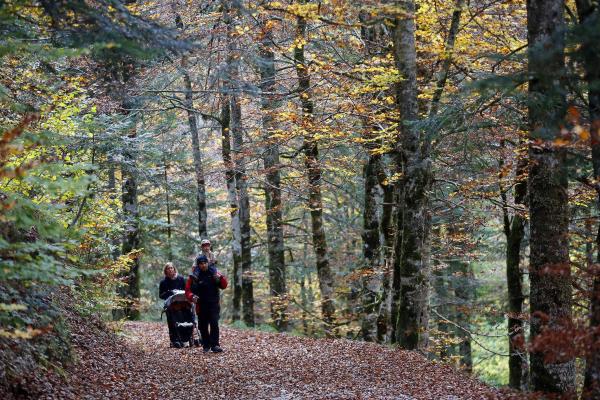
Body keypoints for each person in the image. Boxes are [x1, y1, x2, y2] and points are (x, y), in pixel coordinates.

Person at [185, 254, 228, 353]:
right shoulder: (194, 276)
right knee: (203, 326)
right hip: (201, 304)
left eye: (205, 263)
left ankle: (215, 345)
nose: (203, 265)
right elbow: (187, 290)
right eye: (201, 264)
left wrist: (221, 278)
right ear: (198, 265)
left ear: (207, 263)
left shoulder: (214, 272)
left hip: (213, 303)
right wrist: (192, 297)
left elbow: (224, 285)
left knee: (214, 323)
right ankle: (206, 345)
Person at [159, 262, 186, 347]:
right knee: (172, 321)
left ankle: (185, 338)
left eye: (171, 268)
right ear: (165, 271)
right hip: (170, 305)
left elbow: (186, 291)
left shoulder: (181, 279)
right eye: (168, 268)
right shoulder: (163, 282)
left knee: (184, 319)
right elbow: (161, 295)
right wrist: (170, 293)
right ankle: (174, 340)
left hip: (182, 303)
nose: (170, 270)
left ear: (174, 269)